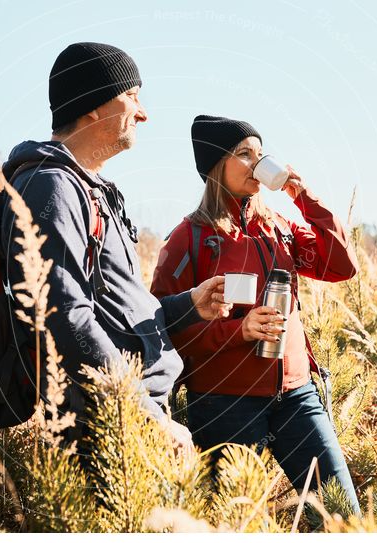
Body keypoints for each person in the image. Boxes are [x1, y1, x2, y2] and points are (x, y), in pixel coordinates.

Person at [0, 43, 231, 455]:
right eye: (133, 96)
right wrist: (145, 415)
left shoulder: (89, 191)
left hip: (132, 414)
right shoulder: (51, 189)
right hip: (108, 427)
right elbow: (66, 317)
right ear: (93, 105)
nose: (143, 113)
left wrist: (189, 305)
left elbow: (114, 312)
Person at [150, 114, 362, 518]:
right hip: (224, 404)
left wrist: (304, 197)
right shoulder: (190, 238)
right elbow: (162, 327)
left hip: (297, 396)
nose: (257, 163)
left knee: (343, 519)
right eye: (244, 153)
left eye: (260, 154)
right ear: (217, 165)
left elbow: (341, 265)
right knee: (229, 524)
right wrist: (238, 331)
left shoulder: (277, 228)